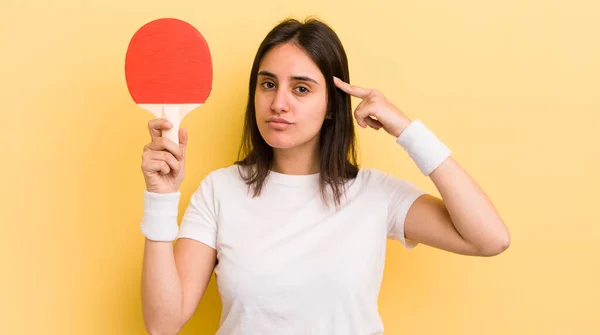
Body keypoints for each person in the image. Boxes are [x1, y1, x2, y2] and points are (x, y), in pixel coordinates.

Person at [139, 17, 510, 335]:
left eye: (301, 88)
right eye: (268, 84)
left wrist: (407, 130)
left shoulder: (375, 194)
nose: (278, 103)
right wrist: (160, 197)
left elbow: (490, 238)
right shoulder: (220, 191)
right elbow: (163, 323)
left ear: (333, 107)